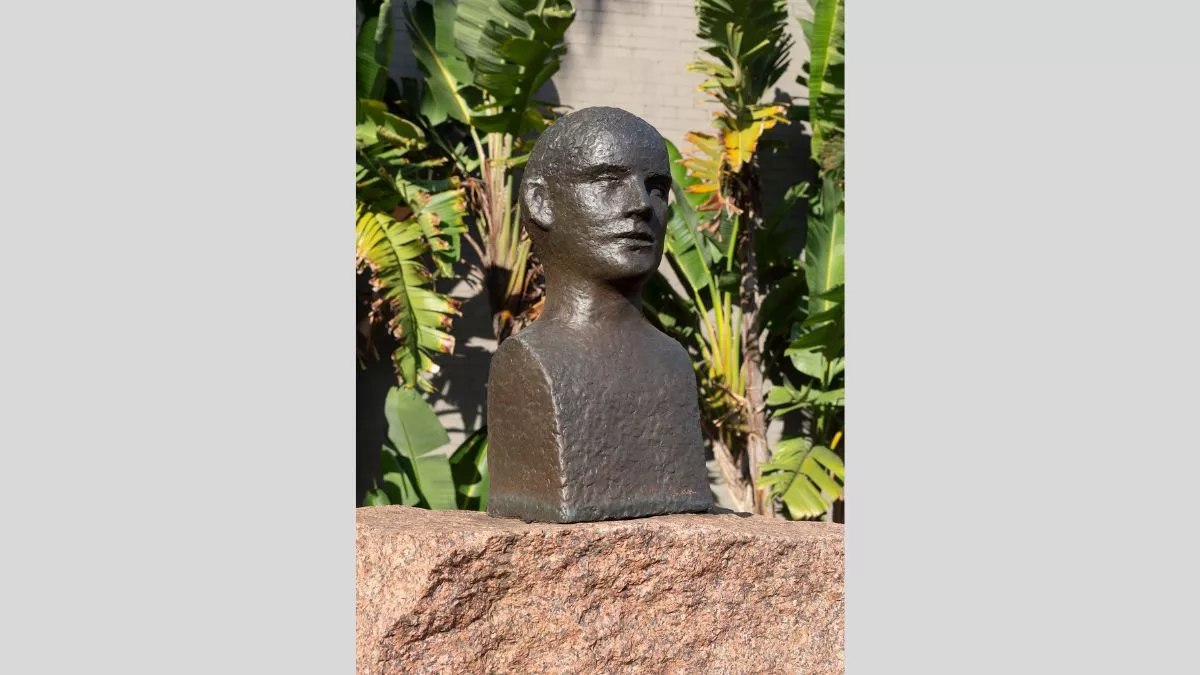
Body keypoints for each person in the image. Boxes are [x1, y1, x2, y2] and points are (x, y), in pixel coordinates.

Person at [487, 107, 712, 523]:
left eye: (657, 188)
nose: (641, 205)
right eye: (608, 182)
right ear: (540, 202)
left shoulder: (673, 362)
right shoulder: (530, 364)